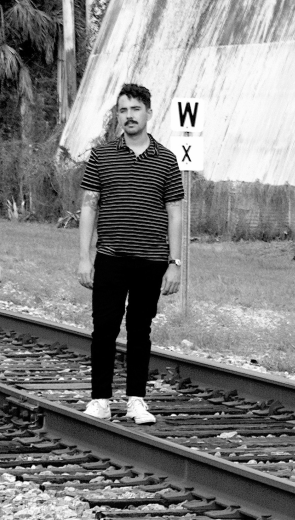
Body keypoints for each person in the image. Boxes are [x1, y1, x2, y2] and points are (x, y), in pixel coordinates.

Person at [77, 83, 184, 424]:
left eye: (135, 109)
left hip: (152, 261)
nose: (129, 116)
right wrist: (84, 258)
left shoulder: (166, 159)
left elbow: (175, 214)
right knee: (104, 329)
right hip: (110, 258)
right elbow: (89, 207)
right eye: (123, 110)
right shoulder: (102, 156)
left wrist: (175, 263)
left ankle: (136, 400)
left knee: (140, 330)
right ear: (118, 115)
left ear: (149, 113)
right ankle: (100, 399)